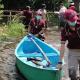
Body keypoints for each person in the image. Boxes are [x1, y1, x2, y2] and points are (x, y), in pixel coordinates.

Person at [58, 8, 80, 80]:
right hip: (72, 51)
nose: (74, 21)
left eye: (75, 19)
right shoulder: (65, 29)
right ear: (67, 20)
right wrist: (60, 61)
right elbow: (62, 46)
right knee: (72, 74)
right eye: (71, 20)